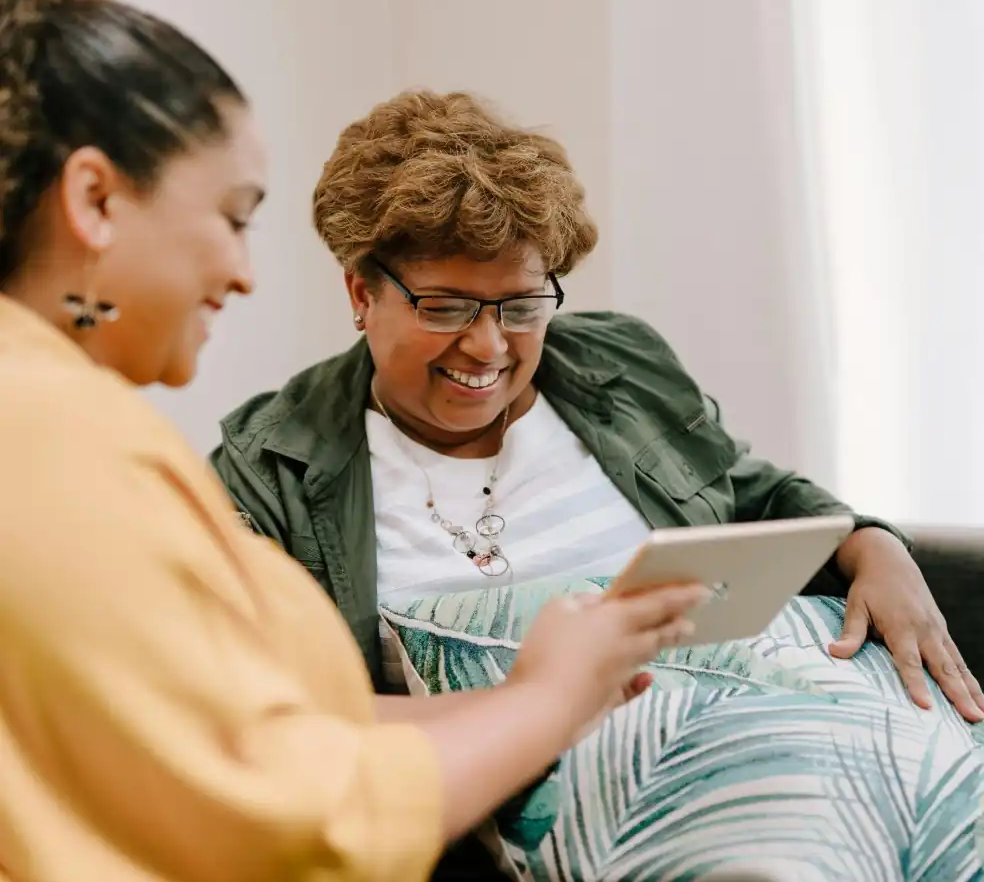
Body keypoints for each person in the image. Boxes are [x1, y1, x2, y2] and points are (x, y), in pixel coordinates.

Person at [0, 0, 707, 882]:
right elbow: (297, 821)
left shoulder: (56, 425)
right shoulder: (65, 451)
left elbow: (234, 734)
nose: (244, 275)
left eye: (517, 305)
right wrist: (544, 700)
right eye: (231, 217)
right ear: (95, 200)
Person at [212, 88, 984, 725]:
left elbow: (758, 497)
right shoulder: (270, 471)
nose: (488, 348)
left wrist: (874, 547)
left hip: (743, 730)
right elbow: (267, 716)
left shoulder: (616, 366)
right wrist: (536, 708)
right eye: (445, 308)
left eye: (521, 307)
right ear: (361, 292)